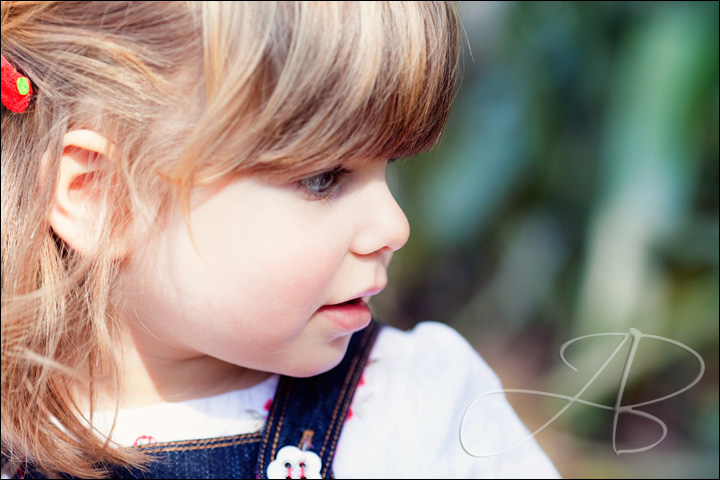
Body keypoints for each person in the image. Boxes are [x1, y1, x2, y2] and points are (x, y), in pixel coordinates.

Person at [1, 2, 559, 478]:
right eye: (323, 177)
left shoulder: (414, 415)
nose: (394, 226)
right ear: (104, 195)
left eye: (387, 165)